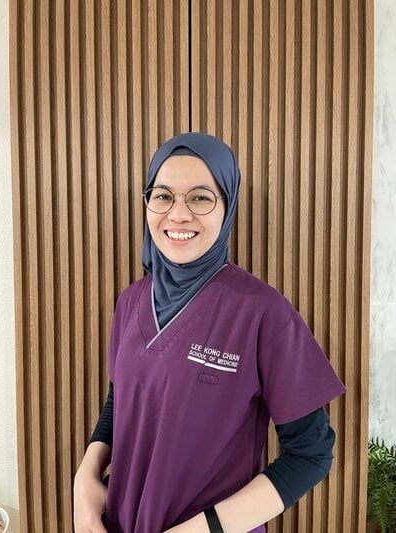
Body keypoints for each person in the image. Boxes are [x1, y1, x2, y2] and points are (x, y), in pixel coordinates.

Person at [73, 132, 346, 533]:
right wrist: (86, 477)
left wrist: (204, 529)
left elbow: (311, 454)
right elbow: (122, 401)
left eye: (200, 197)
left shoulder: (263, 313)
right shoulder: (130, 302)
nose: (178, 214)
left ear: (228, 205)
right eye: (162, 196)